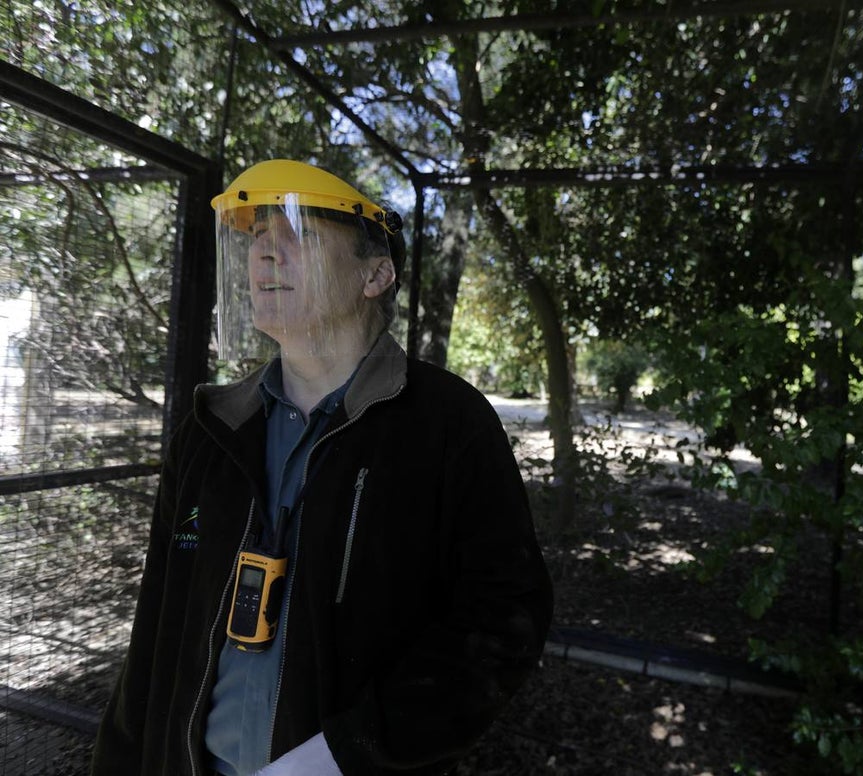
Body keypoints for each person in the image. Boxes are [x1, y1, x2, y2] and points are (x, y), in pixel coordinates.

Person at [91, 159, 554, 776]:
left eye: (297, 234)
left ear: (375, 273)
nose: (264, 255)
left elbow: (502, 624)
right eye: (257, 238)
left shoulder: (448, 424)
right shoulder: (209, 431)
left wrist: (343, 756)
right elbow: (157, 627)